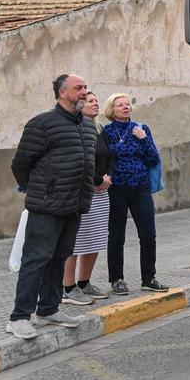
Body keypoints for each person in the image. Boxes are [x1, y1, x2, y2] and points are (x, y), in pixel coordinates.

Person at [6, 74, 96, 339]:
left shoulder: (88, 127)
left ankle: (48, 309)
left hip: (74, 206)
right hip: (46, 207)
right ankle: (19, 317)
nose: (84, 92)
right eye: (78, 88)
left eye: (85, 88)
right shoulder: (42, 123)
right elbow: (20, 164)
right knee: (35, 260)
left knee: (59, 258)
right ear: (62, 92)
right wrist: (39, 190)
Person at [102, 94, 166, 295]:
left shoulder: (141, 128)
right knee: (116, 236)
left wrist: (144, 140)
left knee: (148, 234)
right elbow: (104, 158)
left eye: (127, 104)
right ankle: (117, 279)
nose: (125, 107)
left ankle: (148, 278)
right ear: (112, 110)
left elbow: (153, 158)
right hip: (117, 190)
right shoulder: (106, 131)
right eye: (120, 105)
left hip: (141, 188)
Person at [63, 92, 113, 305]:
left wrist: (106, 178)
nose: (95, 104)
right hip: (81, 192)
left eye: (96, 101)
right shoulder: (74, 129)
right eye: (91, 101)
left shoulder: (99, 129)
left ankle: (85, 283)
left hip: (102, 193)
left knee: (95, 239)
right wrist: (95, 180)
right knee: (75, 241)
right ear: (79, 106)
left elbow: (108, 156)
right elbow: (78, 160)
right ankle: (68, 287)